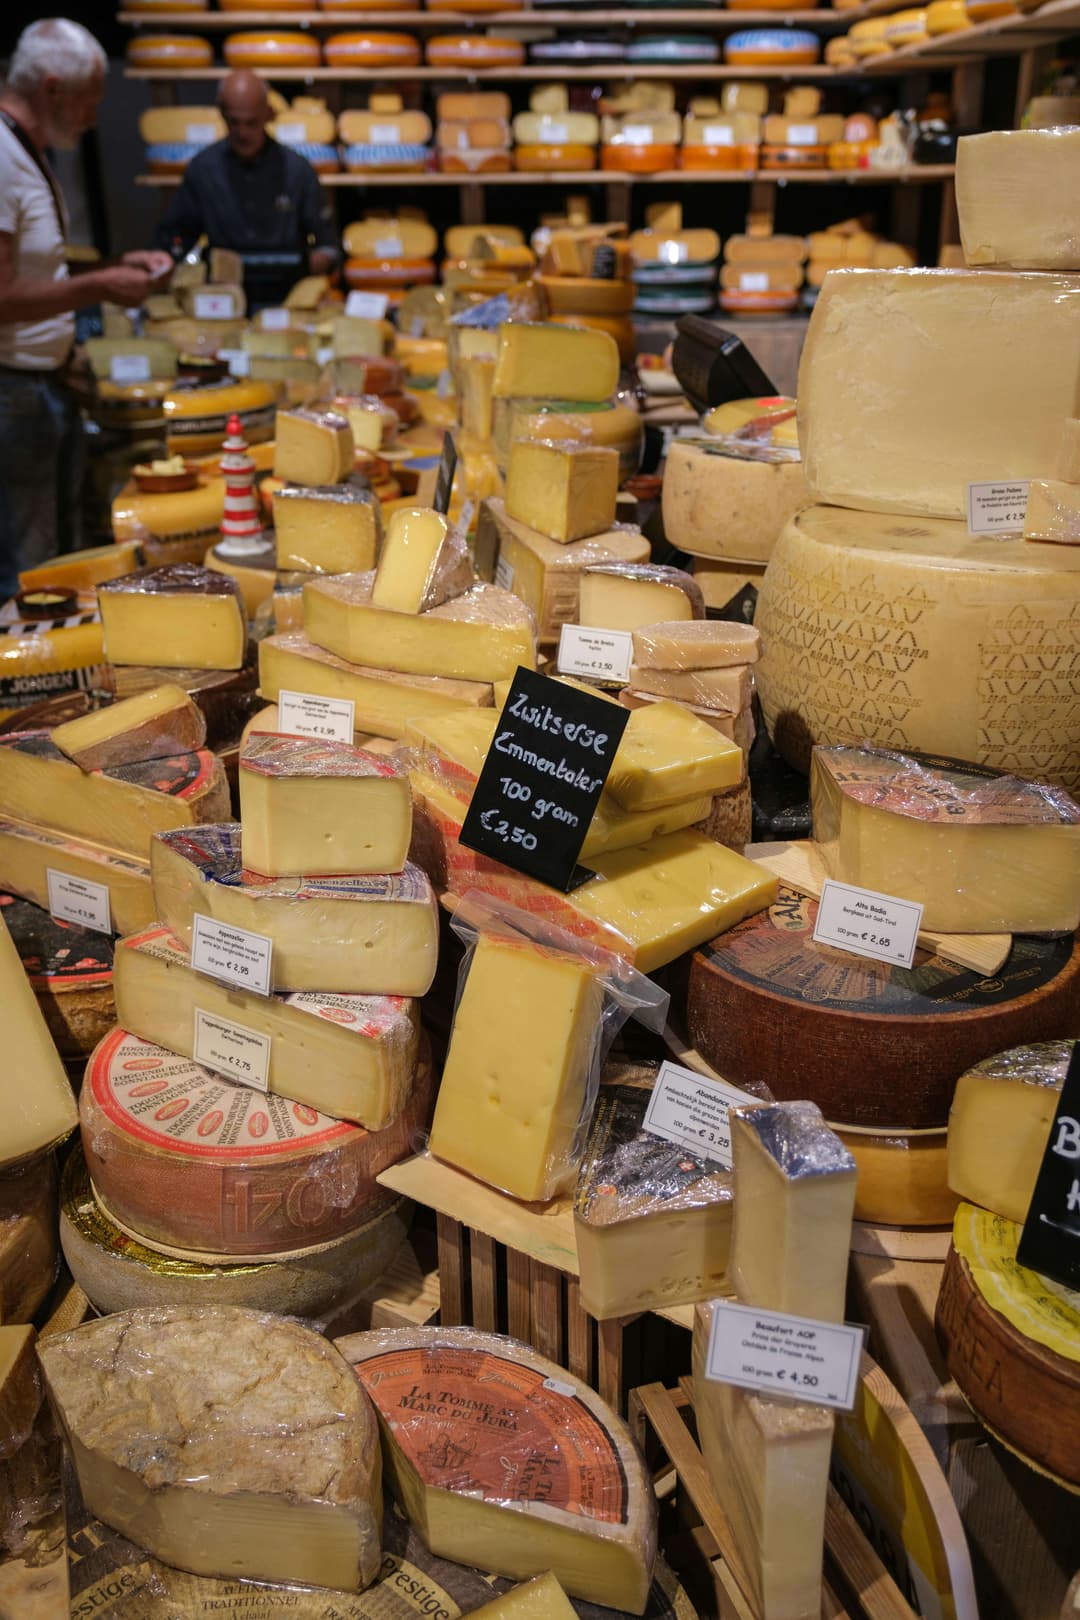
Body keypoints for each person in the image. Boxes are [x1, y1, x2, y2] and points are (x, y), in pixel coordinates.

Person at [0, 18, 172, 596]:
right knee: (29, 570)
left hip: (41, 387)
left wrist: (113, 266)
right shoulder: (1, 156)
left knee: (56, 556)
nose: (94, 118)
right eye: (88, 102)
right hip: (13, 393)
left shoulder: (26, 150)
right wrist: (101, 289)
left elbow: (39, 271)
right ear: (52, 89)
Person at [156, 72, 339, 312]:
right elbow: (176, 236)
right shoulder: (203, 170)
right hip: (222, 299)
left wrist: (320, 261)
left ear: (267, 114)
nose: (242, 133)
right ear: (221, 114)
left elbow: (327, 243)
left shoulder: (297, 171)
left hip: (287, 300)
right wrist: (164, 261)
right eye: (234, 122)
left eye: (251, 123)